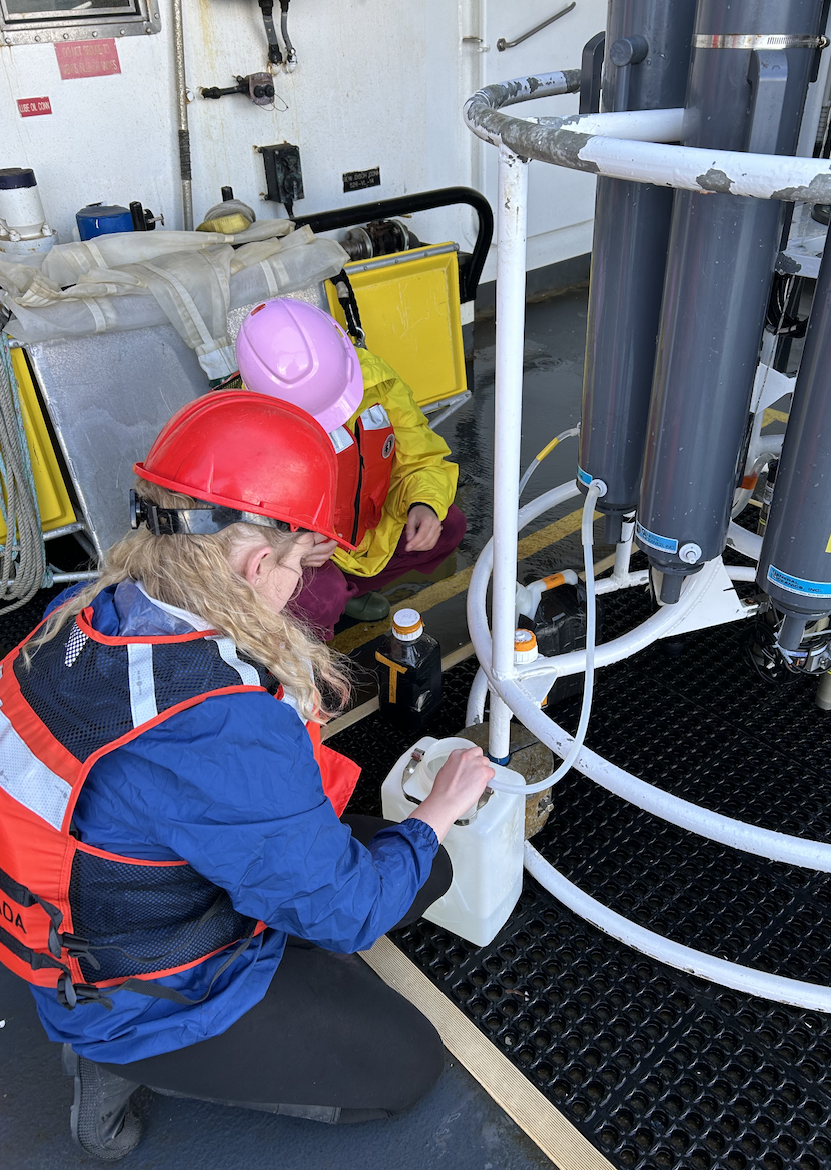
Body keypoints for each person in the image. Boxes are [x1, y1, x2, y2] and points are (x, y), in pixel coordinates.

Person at [0, 391, 494, 1159]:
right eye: (301, 564)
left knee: (415, 871)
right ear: (260, 562)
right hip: (138, 992)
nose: (301, 585)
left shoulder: (84, 610)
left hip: (111, 915)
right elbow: (347, 911)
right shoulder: (214, 722)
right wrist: (440, 807)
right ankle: (122, 1064)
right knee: (405, 1063)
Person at [235, 297, 467, 639]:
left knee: (448, 525)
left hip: (369, 530)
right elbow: (240, 534)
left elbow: (419, 455)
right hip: (312, 556)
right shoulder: (241, 429)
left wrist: (424, 504)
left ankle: (349, 593)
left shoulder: (379, 381)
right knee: (316, 601)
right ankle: (329, 607)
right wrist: (296, 546)